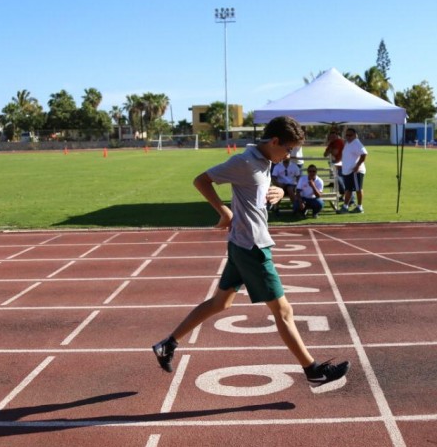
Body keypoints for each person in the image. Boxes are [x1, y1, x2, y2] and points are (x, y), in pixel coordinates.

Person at [153, 115, 349, 386]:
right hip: (252, 247)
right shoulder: (244, 161)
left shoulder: (266, 161)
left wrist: (278, 191)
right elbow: (201, 180)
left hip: (242, 243)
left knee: (220, 303)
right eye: (288, 148)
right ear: (275, 141)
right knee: (283, 312)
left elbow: (256, 192)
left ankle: (167, 344)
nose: (289, 154)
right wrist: (224, 211)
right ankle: (312, 370)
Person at [339, 128, 367, 213]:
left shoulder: (356, 143)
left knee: (358, 189)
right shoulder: (347, 143)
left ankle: (359, 207)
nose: (348, 137)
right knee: (348, 189)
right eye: (346, 135)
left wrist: (357, 166)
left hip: (355, 171)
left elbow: (364, 154)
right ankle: (345, 207)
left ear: (355, 135)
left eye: (350, 135)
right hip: (348, 171)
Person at [323, 130, 345, 196]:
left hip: (339, 163)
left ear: (336, 135)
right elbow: (325, 154)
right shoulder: (332, 143)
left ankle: (346, 196)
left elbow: (335, 152)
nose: (331, 137)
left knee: (341, 180)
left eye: (333, 135)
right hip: (334, 163)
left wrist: (330, 150)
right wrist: (330, 149)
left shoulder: (338, 142)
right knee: (337, 179)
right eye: (330, 136)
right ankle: (343, 195)